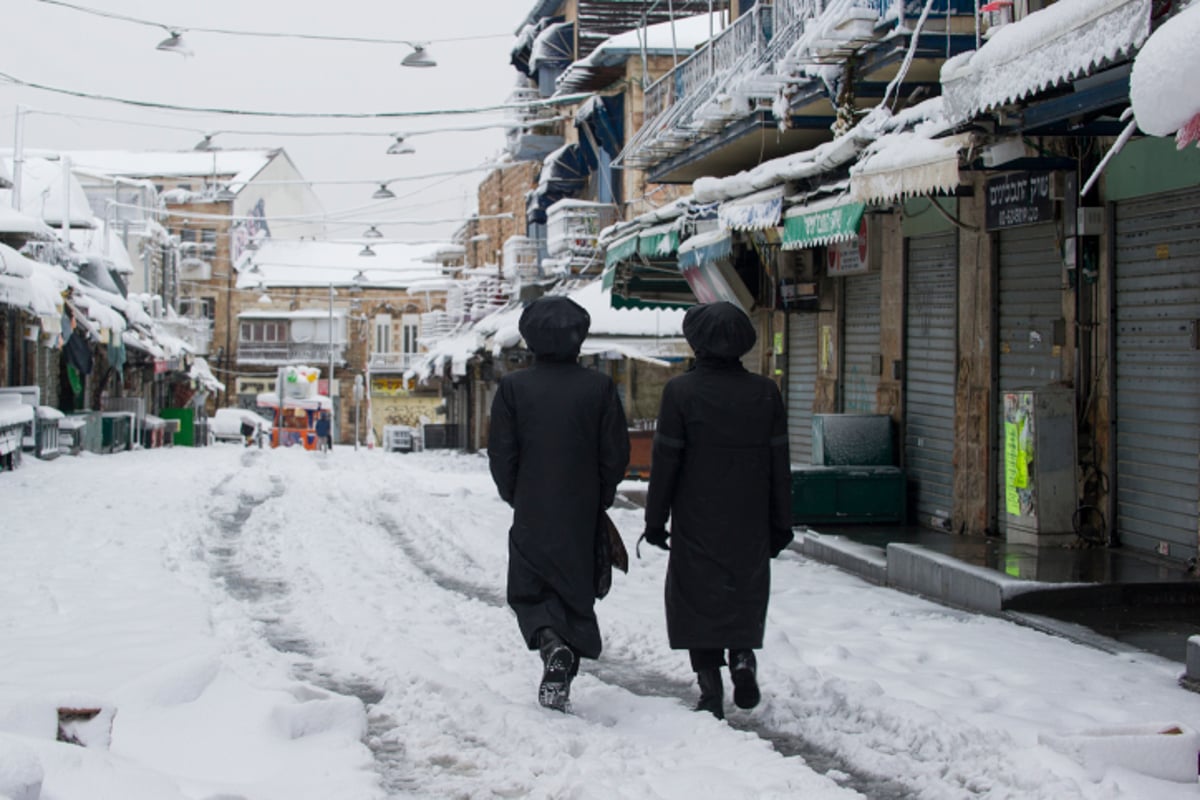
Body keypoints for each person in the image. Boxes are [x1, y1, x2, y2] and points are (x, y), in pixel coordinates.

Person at [640, 301, 793, 720]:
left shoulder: (681, 392)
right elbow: (780, 462)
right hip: (750, 518)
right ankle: (742, 656)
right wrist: (782, 522)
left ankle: (710, 689)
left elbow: (665, 461)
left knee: (695, 601)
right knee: (742, 593)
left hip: (696, 518)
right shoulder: (765, 393)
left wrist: (655, 521)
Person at [488, 296, 630, 712]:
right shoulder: (599, 388)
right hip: (582, 507)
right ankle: (563, 666)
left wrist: (516, 493)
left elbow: (501, 453)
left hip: (532, 505)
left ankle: (550, 646)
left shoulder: (514, 388)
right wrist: (600, 494)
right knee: (575, 591)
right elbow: (615, 453)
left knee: (530, 591)